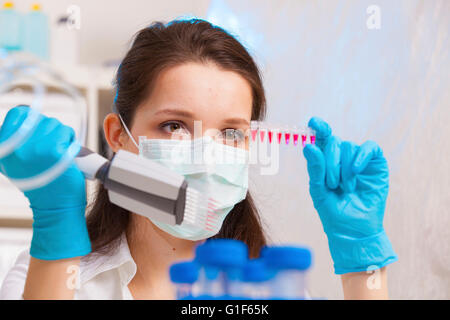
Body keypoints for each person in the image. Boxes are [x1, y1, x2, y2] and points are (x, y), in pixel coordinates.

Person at [0, 19, 397, 300]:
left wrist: (362, 261)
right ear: (118, 136)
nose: (207, 157)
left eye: (230, 132)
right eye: (175, 126)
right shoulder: (56, 278)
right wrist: (57, 224)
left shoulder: (267, 287)